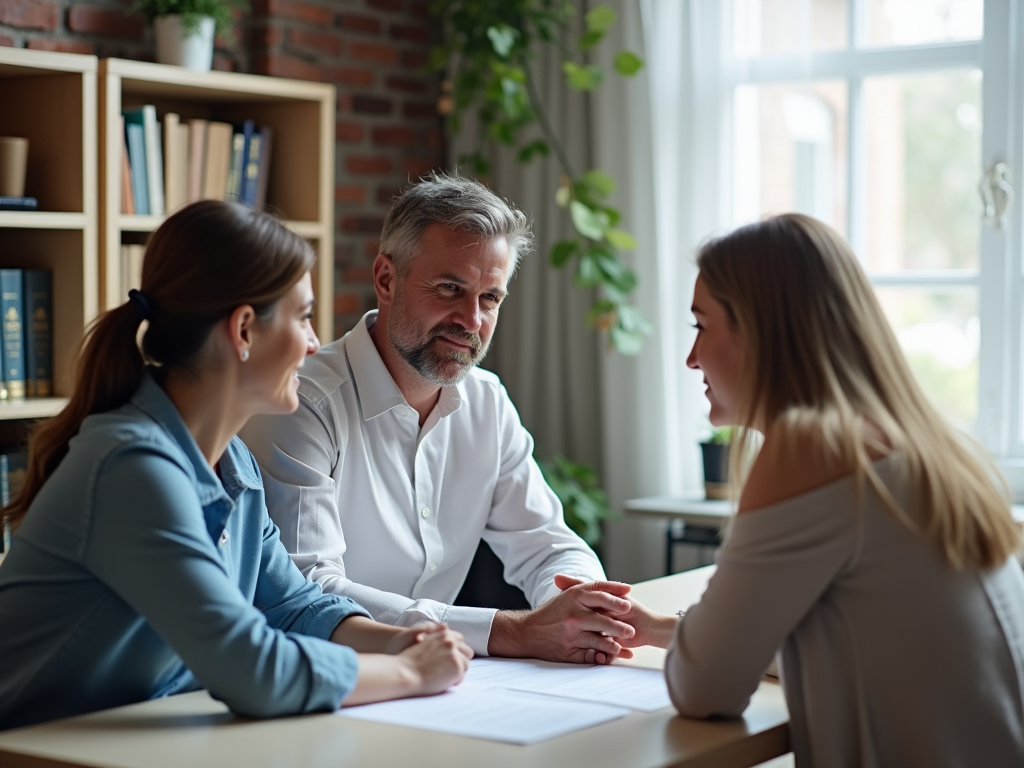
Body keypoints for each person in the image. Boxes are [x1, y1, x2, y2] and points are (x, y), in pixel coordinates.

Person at [0, 201, 472, 732]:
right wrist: (408, 672)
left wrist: (402, 639)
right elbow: (250, 670)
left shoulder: (235, 464)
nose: (315, 343)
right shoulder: (131, 467)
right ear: (244, 330)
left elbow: (292, 606)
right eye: (304, 316)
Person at [582, 213, 1024, 766]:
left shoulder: (813, 448)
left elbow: (705, 689)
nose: (692, 358)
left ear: (759, 331)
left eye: (701, 326)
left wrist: (691, 646)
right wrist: (661, 630)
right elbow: (829, 643)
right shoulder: (920, 442)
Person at [240, 173, 636, 665]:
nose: (471, 320)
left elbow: (546, 543)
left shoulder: (487, 403)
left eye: (490, 298)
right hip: (327, 678)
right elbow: (310, 593)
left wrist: (583, 608)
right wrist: (511, 632)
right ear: (386, 279)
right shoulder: (301, 403)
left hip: (441, 684)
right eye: (450, 288)